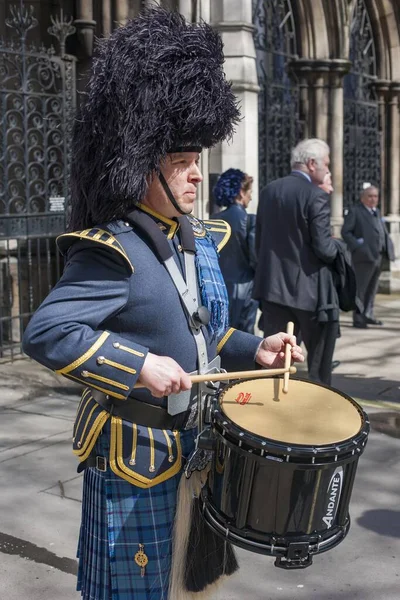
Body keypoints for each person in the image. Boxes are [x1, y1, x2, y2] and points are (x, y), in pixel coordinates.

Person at [22, 8, 304, 600]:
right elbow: (46, 332)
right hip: (136, 461)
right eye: (180, 163)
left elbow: (207, 336)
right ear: (138, 163)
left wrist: (260, 346)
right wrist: (138, 366)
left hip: (199, 452)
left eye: (196, 160)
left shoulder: (196, 239)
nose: (197, 176)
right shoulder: (111, 253)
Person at [253, 138, 339, 386]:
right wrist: (339, 247)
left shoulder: (269, 190)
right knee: (319, 366)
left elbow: (259, 242)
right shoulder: (315, 195)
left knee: (275, 362)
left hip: (272, 289)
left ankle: (273, 408)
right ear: (312, 164)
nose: (326, 168)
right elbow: (324, 249)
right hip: (310, 294)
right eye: (326, 163)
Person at [210, 168, 258, 333]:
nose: (251, 197)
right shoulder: (249, 220)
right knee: (245, 341)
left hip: (217, 290)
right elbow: (255, 259)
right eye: (249, 192)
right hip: (245, 290)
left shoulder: (213, 221)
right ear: (240, 192)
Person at [341, 184, 395, 328]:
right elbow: (346, 232)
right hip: (363, 258)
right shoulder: (355, 211)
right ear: (362, 197)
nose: (373, 199)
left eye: (375, 196)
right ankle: (358, 318)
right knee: (361, 289)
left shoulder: (376, 211)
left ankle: (368, 314)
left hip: (378, 257)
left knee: (372, 289)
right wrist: (359, 247)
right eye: (370, 196)